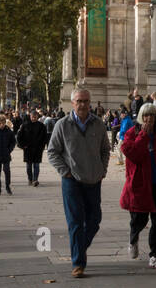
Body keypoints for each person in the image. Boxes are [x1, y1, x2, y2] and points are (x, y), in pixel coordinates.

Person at [47, 87, 110, 277]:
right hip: (72, 181)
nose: (82, 104)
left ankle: (79, 248)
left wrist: (102, 170)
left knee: (94, 220)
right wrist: (65, 172)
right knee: (75, 222)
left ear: (90, 103)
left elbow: (105, 150)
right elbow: (52, 152)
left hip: (93, 179)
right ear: (72, 103)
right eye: (79, 101)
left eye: (85, 101)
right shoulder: (62, 125)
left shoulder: (98, 124)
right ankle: (78, 263)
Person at [120, 102, 156, 270]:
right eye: (146, 115)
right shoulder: (132, 133)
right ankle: (133, 239)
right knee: (138, 220)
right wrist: (143, 137)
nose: (149, 119)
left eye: (152, 115)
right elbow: (133, 154)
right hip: (139, 186)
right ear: (141, 117)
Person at [16, 109, 48, 187]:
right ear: (30, 116)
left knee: (36, 165)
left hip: (38, 149)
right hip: (28, 149)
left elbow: (45, 137)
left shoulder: (41, 126)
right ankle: (30, 179)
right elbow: (19, 136)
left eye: (35, 117)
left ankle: (35, 179)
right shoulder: (25, 125)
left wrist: (42, 146)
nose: (34, 118)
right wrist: (22, 146)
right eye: (32, 117)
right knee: (29, 166)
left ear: (37, 117)